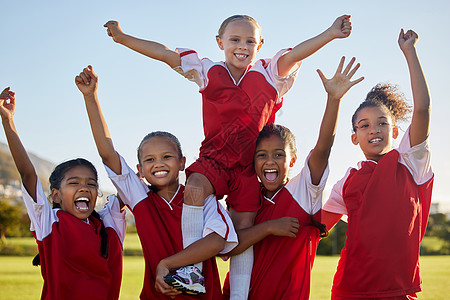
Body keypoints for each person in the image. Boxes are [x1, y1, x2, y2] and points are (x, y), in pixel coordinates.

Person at [104, 14, 352, 297]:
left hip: (248, 168)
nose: (242, 46)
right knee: (194, 189)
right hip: (214, 160)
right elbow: (165, 53)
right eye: (235, 39)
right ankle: (191, 271)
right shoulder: (208, 70)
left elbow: (296, 53)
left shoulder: (269, 73)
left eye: (250, 40)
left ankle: (238, 295)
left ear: (260, 45)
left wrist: (331, 33)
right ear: (220, 42)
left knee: (240, 232)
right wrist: (124, 38)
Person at [75, 65, 237, 299]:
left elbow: (216, 242)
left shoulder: (200, 195)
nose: (158, 164)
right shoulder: (140, 197)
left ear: (182, 163)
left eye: (167, 157)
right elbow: (108, 154)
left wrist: (166, 264)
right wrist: (90, 97)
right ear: (140, 169)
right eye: (149, 160)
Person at [219, 56, 363, 299]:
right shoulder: (244, 196)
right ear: (253, 161)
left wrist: (334, 99)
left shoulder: (304, 190)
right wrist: (269, 228)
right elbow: (227, 247)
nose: (270, 161)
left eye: (278, 154)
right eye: (261, 155)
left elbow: (323, 148)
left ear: (293, 160)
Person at [322, 29, 432, 299]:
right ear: (354, 137)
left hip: (400, 290)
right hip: (351, 290)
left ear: (395, 131)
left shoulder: (410, 163)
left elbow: (422, 109)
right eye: (365, 125)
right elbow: (318, 228)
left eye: (383, 123)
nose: (374, 130)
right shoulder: (347, 181)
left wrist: (410, 52)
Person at [0, 87, 126, 300]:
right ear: (56, 195)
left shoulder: (109, 224)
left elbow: (121, 174)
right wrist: (7, 120)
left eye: (91, 183)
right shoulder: (49, 222)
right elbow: (28, 174)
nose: (84, 187)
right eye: (74, 182)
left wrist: (91, 96)